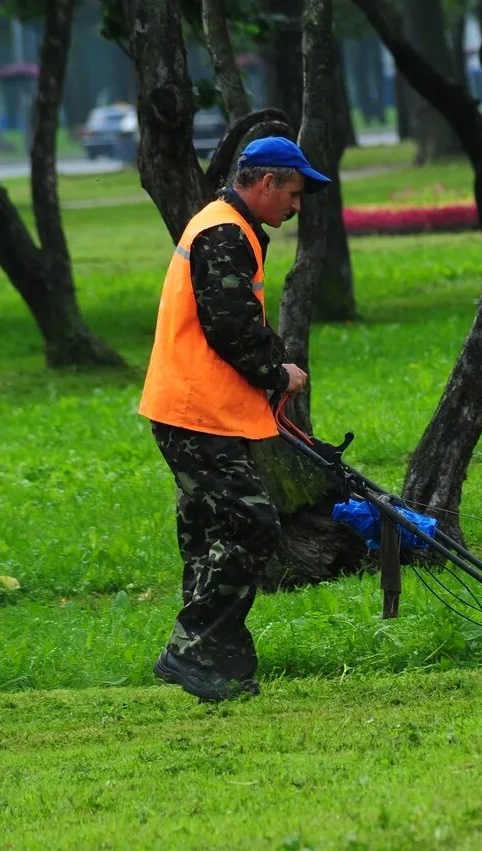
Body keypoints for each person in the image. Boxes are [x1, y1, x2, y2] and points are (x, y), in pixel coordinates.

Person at [139, 136, 330, 702]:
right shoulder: (224, 232)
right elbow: (229, 325)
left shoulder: (223, 224)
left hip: (191, 408)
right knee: (252, 523)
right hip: (196, 412)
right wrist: (278, 370)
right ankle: (193, 646)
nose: (297, 207)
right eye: (293, 194)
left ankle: (215, 664)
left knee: (208, 535)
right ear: (267, 182)